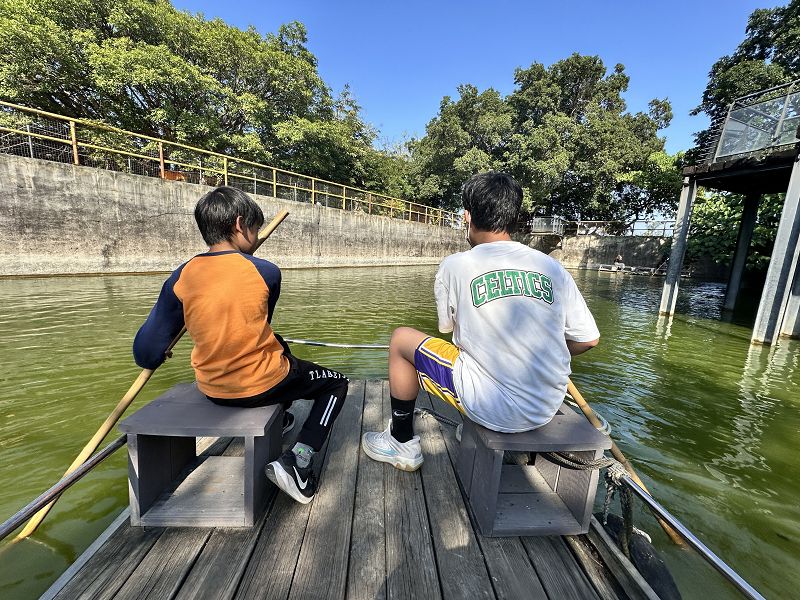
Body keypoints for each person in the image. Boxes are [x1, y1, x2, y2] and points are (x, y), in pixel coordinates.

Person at [361, 172, 599, 471]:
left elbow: (447, 328)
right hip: (546, 406)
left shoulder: (456, 265)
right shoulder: (551, 267)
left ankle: (400, 441)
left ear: (467, 216)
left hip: (491, 408)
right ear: (514, 216)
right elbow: (588, 340)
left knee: (401, 340)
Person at [133, 186, 348, 504]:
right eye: (255, 229)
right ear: (239, 224)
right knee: (336, 384)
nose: (257, 235)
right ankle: (299, 461)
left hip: (213, 388)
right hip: (261, 385)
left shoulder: (182, 276)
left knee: (279, 346)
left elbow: (146, 353)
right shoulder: (266, 272)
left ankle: (282, 417)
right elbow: (258, 324)